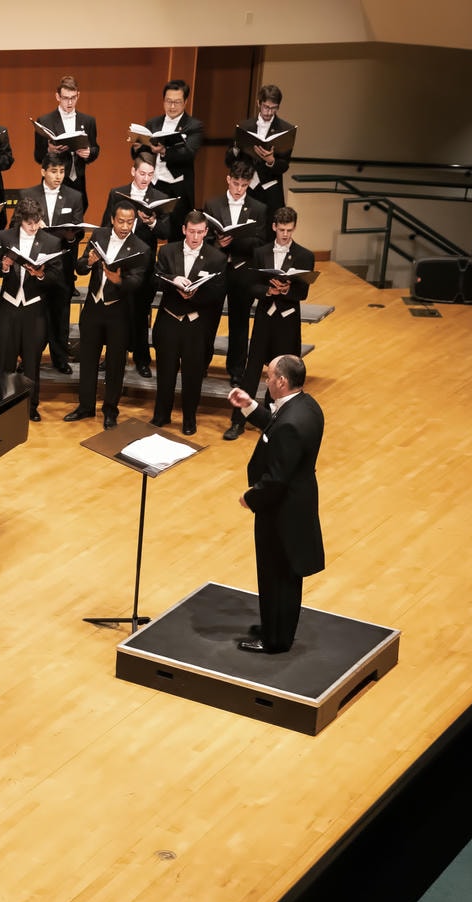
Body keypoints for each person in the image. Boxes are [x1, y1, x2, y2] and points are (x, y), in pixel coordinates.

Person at [228, 354, 324, 654]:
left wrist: (251, 497)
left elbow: (277, 477)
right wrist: (249, 407)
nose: (266, 380)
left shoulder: (291, 424)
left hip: (281, 509)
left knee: (276, 574)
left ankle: (275, 639)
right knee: (283, 574)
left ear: (282, 381)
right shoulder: (306, 405)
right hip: (295, 504)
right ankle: (276, 627)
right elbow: (276, 426)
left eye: (269, 376)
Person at [225, 208, 315, 441]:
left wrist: (287, 290)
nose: (285, 234)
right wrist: (268, 290)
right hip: (265, 317)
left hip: (287, 320)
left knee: (285, 373)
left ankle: (279, 421)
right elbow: (250, 286)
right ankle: (238, 421)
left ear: (294, 228)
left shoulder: (305, 255)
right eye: (281, 229)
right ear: (274, 227)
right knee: (252, 369)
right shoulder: (261, 252)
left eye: (290, 230)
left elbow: (303, 292)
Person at [64, 202, 148, 429]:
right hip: (93, 307)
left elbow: (137, 283)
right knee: (88, 359)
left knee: (115, 364)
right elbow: (80, 267)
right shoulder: (98, 235)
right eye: (121, 221)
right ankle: (85, 407)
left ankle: (110, 410)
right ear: (112, 219)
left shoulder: (140, 247)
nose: (124, 226)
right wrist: (88, 262)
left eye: (130, 222)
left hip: (118, 312)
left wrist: (118, 280)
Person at [151, 211, 227, 435]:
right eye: (191, 232)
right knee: (165, 371)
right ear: (184, 230)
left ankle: (189, 420)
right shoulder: (167, 251)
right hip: (170, 320)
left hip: (195, 325)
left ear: (206, 232)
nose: (195, 237)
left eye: (200, 232)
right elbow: (155, 279)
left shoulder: (216, 258)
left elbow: (218, 292)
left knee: (193, 375)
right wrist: (173, 281)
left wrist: (195, 296)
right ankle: (161, 415)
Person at [100, 153, 172, 379]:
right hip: (117, 262)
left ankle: (142, 359)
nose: (145, 178)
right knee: (114, 313)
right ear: (133, 172)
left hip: (144, 266)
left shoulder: (159, 197)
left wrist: (152, 222)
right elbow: (104, 225)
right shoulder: (117, 192)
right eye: (142, 173)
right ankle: (113, 357)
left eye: (150, 175)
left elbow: (166, 233)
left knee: (140, 314)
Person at [203, 161, 272, 385]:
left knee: (240, 323)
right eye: (235, 183)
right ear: (228, 179)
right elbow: (204, 238)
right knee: (209, 320)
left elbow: (261, 242)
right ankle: (201, 364)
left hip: (242, 271)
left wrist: (235, 239)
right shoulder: (213, 204)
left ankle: (236, 370)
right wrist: (218, 242)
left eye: (244, 185)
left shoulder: (258, 208)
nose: (239, 189)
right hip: (217, 270)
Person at [0, 198, 62, 420]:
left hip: (34, 308)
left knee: (32, 361)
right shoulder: (5, 237)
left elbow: (57, 278)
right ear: (21, 219)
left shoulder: (50, 241)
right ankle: (2, 407)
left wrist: (41, 274)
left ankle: (30, 407)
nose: (33, 227)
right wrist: (3, 267)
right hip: (9, 305)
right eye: (29, 222)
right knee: (5, 360)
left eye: (36, 222)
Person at [19, 154, 86, 373]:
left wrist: (71, 237)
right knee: (32, 314)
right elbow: (15, 224)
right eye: (54, 171)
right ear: (43, 171)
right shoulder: (28, 194)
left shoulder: (75, 196)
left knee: (60, 314)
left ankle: (60, 358)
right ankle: (29, 357)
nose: (58, 176)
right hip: (33, 264)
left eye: (62, 172)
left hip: (62, 266)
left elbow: (78, 229)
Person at [130, 79, 204, 217]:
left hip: (178, 187)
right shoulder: (153, 123)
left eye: (177, 102)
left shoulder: (194, 125)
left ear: (185, 102)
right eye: (168, 101)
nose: (172, 106)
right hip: (154, 183)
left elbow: (189, 154)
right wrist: (137, 147)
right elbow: (143, 154)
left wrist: (164, 151)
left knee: (176, 231)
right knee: (147, 226)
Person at [33, 76, 100, 211]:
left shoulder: (88, 121)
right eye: (65, 98)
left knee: (77, 222)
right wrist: (49, 150)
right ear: (58, 97)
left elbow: (95, 148)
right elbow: (37, 156)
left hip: (78, 182)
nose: (69, 102)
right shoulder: (45, 121)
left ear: (78, 95)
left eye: (73, 98)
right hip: (53, 182)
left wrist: (88, 153)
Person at [227, 84, 296, 215]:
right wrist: (237, 148)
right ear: (259, 103)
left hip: (271, 191)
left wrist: (271, 161)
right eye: (266, 107)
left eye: (273, 108)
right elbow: (228, 160)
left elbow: (285, 166)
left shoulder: (285, 129)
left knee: (270, 230)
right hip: (245, 187)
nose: (269, 112)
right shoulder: (243, 126)